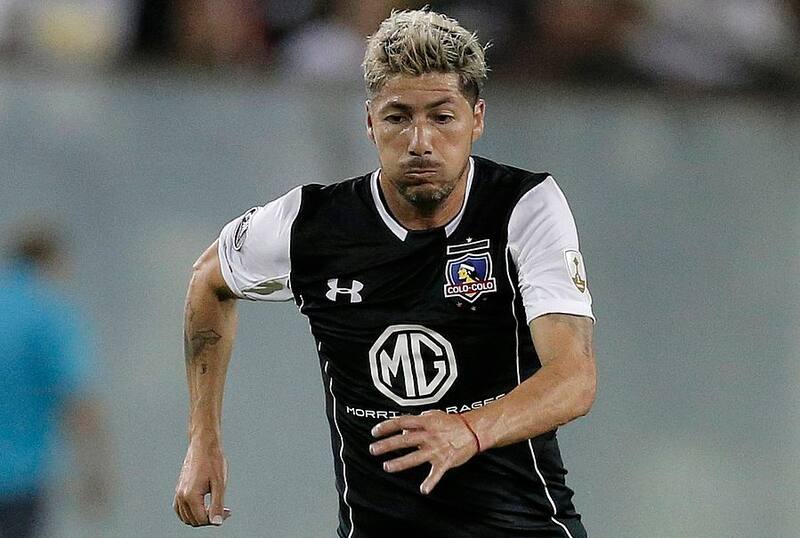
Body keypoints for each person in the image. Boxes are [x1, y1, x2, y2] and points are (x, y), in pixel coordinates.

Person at [173, 8, 596, 537]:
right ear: (370, 122)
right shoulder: (310, 225)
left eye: (443, 117)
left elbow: (573, 377)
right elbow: (207, 280)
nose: (420, 141)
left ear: (477, 119)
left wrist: (467, 430)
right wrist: (203, 438)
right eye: (399, 117)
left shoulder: (523, 207)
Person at [0, 225, 110, 538]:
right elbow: (79, 400)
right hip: (20, 482)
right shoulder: (51, 314)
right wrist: (95, 471)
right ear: (53, 261)